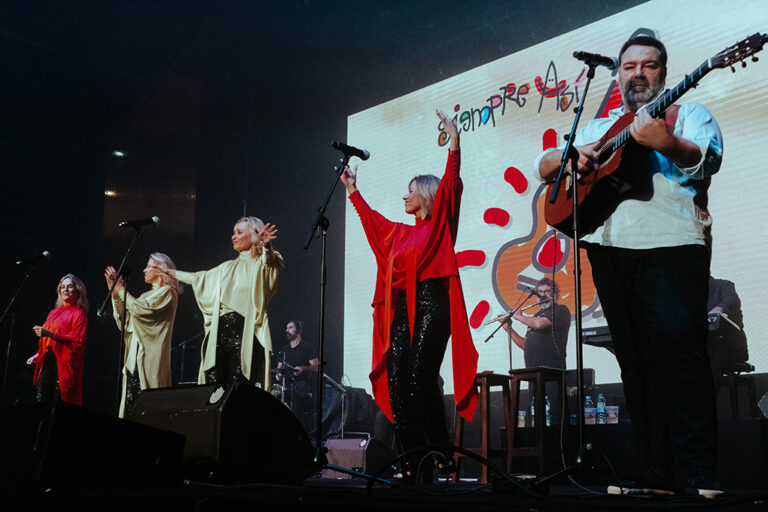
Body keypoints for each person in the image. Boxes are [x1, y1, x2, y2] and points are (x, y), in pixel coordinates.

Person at [535, 35, 723, 491]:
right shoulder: (599, 125)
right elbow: (544, 166)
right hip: (609, 249)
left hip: (673, 246)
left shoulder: (688, 113)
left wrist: (670, 144)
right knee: (635, 366)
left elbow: (707, 160)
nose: (637, 73)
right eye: (629, 66)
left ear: (663, 71)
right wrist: (568, 158)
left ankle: (700, 471)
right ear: (618, 75)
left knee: (681, 358)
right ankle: (656, 471)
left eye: (649, 65)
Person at [340, 109, 478, 483]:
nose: (405, 194)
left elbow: (451, 181)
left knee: (420, 376)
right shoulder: (401, 234)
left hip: (433, 302)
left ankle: (440, 452)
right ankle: (413, 458)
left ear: (427, 194)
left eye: (410, 190)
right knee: (399, 381)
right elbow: (374, 226)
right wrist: (353, 191)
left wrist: (454, 142)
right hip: (402, 308)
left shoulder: (440, 223)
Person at [166, 217, 282, 389]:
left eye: (239, 233)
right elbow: (199, 278)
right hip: (218, 336)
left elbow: (270, 262)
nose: (233, 237)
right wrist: (170, 273)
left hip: (245, 335)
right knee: (215, 390)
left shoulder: (263, 262)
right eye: (233, 233)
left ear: (254, 235)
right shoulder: (226, 267)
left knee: (238, 390)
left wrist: (265, 246)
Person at [104, 253, 181, 418]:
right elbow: (125, 323)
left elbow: (142, 310)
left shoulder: (168, 292)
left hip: (149, 360)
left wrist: (122, 290)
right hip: (133, 361)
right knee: (131, 407)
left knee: (146, 409)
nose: (144, 270)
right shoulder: (145, 296)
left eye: (149, 266)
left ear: (161, 270)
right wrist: (116, 295)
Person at [497, 277, 570, 423]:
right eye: (540, 292)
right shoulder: (536, 315)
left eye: (547, 291)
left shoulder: (560, 310)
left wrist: (518, 317)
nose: (543, 295)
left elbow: (540, 324)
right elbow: (526, 345)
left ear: (555, 294)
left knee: (553, 417)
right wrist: (508, 329)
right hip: (533, 375)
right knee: (536, 418)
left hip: (551, 372)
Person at [26, 274, 88, 406]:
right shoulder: (53, 313)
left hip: (65, 364)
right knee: (41, 402)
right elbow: (47, 341)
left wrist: (50, 333)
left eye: (70, 287)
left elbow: (77, 341)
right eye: (63, 287)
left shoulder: (79, 314)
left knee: (58, 403)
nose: (65, 289)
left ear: (77, 292)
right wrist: (38, 355)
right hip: (48, 362)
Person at [274, 320, 318, 433]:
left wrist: (303, 368)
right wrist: (278, 375)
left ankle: (294, 429)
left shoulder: (307, 347)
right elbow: (279, 369)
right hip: (286, 384)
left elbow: (315, 367)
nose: (287, 330)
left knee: (295, 391)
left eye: (290, 327)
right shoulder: (285, 349)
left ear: (298, 330)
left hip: (302, 384)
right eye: (286, 328)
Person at [706, 275, 749, 391]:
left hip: (730, 345)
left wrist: (719, 309)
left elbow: (732, 300)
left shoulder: (724, 285)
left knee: (714, 351)